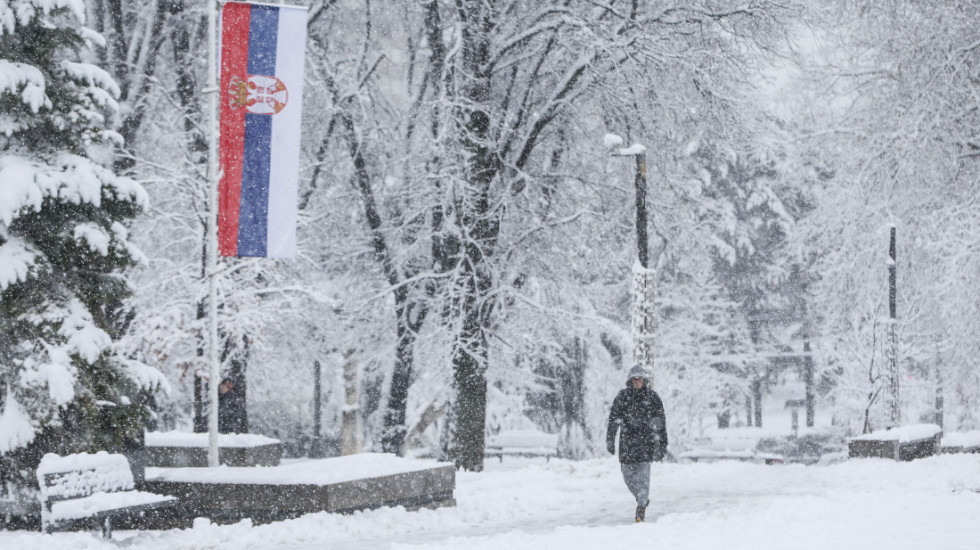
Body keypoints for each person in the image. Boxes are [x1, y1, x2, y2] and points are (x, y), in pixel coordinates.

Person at [606, 364, 668, 522]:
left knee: (644, 478)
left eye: (640, 379)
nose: (638, 381)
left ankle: (640, 508)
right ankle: (642, 498)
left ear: (644, 380)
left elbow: (661, 423)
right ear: (630, 380)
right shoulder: (622, 397)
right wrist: (610, 440)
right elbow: (613, 420)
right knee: (628, 477)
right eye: (635, 379)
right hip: (627, 444)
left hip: (646, 445)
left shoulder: (653, 398)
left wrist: (662, 445)